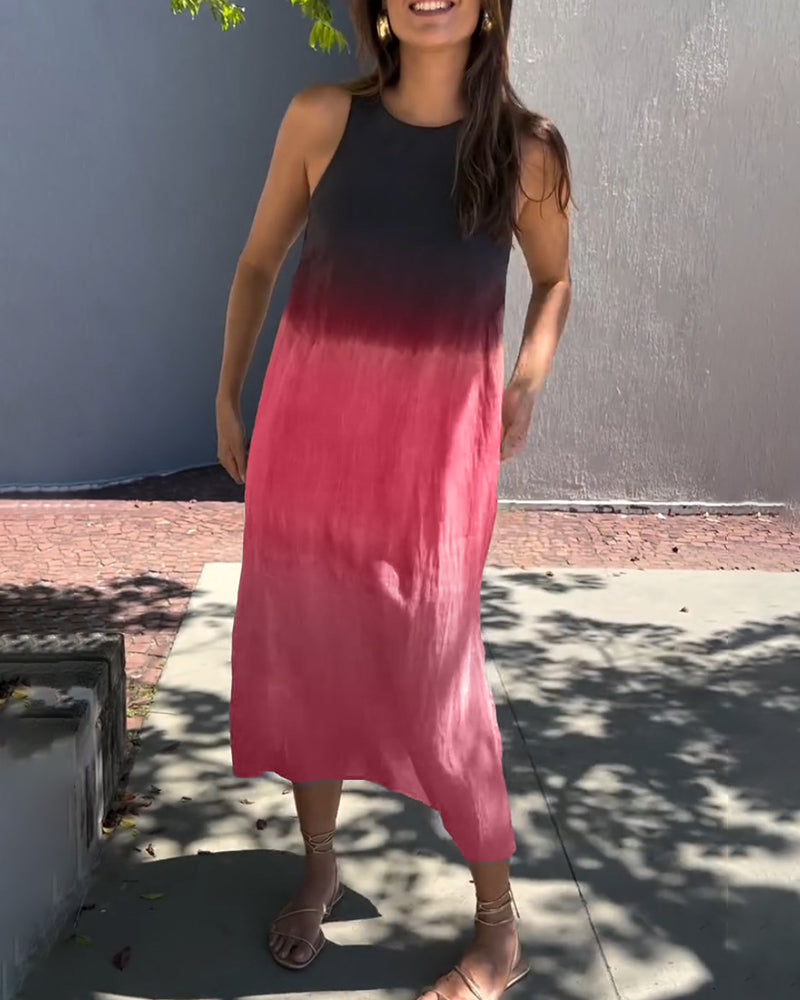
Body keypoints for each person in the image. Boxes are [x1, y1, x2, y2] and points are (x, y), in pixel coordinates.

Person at [216, 0, 572, 996]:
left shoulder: (525, 150)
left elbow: (553, 280)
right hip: (306, 448)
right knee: (308, 654)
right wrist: (227, 393)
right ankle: (320, 867)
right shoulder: (320, 117)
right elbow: (258, 261)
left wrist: (528, 378)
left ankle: (497, 926)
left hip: (433, 465)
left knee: (439, 677)